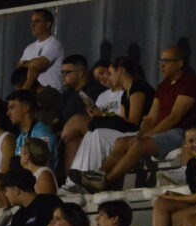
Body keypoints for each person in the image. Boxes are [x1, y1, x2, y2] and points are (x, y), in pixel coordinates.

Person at [89, 47, 196, 191]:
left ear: (179, 63)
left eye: (166, 61)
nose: (161, 65)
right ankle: (98, 174)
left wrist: (145, 137)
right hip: (163, 132)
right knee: (121, 142)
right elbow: (151, 118)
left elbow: (174, 118)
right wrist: (140, 135)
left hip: (181, 132)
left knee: (137, 145)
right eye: (160, 61)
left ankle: (106, 182)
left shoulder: (190, 82)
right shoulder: (163, 86)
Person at [65, 57, 154, 192]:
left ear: (120, 71)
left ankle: (90, 179)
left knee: (98, 134)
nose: (109, 78)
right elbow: (123, 118)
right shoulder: (126, 94)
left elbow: (134, 122)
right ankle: (74, 181)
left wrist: (106, 118)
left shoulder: (139, 87)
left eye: (110, 73)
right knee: (90, 134)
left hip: (138, 132)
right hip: (127, 130)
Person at [57, 54, 106, 171]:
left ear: (79, 73)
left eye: (66, 72)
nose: (62, 76)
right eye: (62, 72)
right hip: (66, 137)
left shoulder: (96, 91)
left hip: (88, 138)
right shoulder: (65, 96)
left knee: (72, 141)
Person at [16, 8, 65, 92]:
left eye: (37, 21)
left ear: (48, 24)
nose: (32, 25)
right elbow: (18, 70)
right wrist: (30, 64)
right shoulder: (29, 48)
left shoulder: (54, 44)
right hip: (33, 95)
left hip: (50, 93)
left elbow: (38, 65)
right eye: (32, 22)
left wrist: (25, 64)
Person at [7, 90, 57, 169]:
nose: (8, 113)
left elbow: (42, 167)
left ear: (27, 108)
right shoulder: (20, 137)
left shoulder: (42, 133)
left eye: (12, 107)